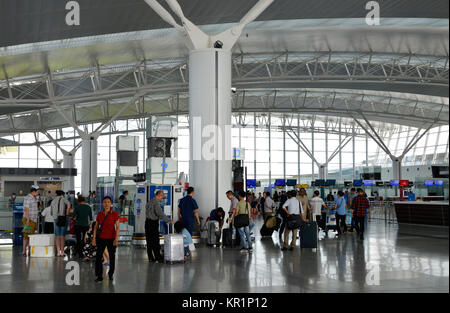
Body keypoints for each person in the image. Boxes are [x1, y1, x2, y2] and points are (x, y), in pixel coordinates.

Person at [92, 196, 120, 282]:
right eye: (104, 202)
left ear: (111, 204)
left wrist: (116, 239)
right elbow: (96, 227)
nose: (106, 204)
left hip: (111, 238)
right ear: (102, 203)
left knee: (112, 257)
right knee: (98, 257)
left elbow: (118, 227)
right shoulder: (99, 214)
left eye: (108, 202)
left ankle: (111, 274)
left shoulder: (114, 214)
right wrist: (94, 238)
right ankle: (99, 276)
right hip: (101, 238)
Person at [145, 190, 174, 262]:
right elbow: (160, 214)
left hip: (147, 222)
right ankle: (158, 257)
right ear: (159, 195)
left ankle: (151, 258)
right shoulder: (156, 203)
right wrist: (169, 220)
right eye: (162, 197)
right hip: (153, 223)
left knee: (149, 240)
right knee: (155, 240)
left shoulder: (149, 202)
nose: (162, 199)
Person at [51, 190, 72, 257]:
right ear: (62, 194)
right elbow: (69, 204)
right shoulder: (63, 199)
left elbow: (51, 212)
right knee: (62, 236)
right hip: (62, 218)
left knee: (57, 236)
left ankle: (58, 252)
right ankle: (62, 252)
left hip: (55, 219)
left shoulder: (53, 201)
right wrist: (67, 212)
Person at [72, 195, 93, 261]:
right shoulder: (88, 207)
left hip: (77, 225)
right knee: (84, 239)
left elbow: (74, 217)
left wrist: (76, 217)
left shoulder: (77, 207)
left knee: (78, 239)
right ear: (84, 200)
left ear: (78, 201)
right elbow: (91, 218)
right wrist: (90, 225)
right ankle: (85, 252)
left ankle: (80, 254)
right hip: (85, 225)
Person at [22, 186, 40, 257]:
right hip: (28, 219)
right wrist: (28, 220)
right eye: (37, 192)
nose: (38, 193)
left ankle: (29, 250)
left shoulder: (35, 198)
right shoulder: (28, 198)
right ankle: (24, 251)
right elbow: (26, 209)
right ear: (34, 191)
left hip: (33, 219)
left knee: (31, 236)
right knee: (26, 236)